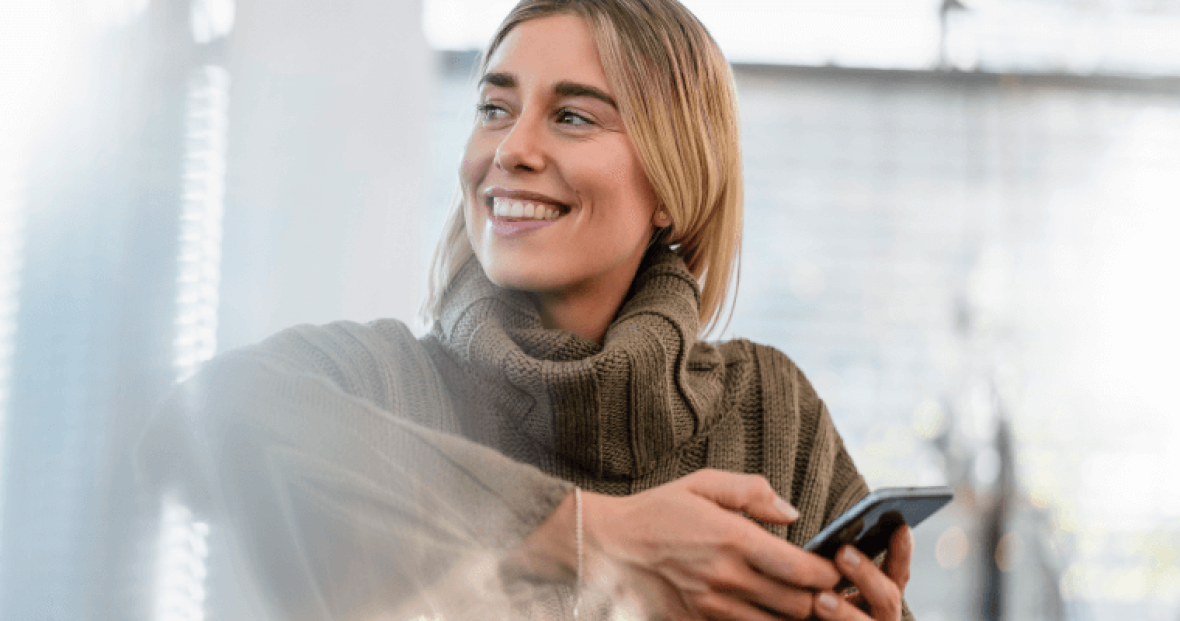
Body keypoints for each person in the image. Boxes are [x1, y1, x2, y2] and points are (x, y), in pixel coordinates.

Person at [138, 1, 916, 620]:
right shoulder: (381, 382)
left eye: (573, 116)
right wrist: (590, 536)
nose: (510, 149)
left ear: (674, 187)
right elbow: (197, 424)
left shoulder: (769, 409)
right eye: (494, 108)